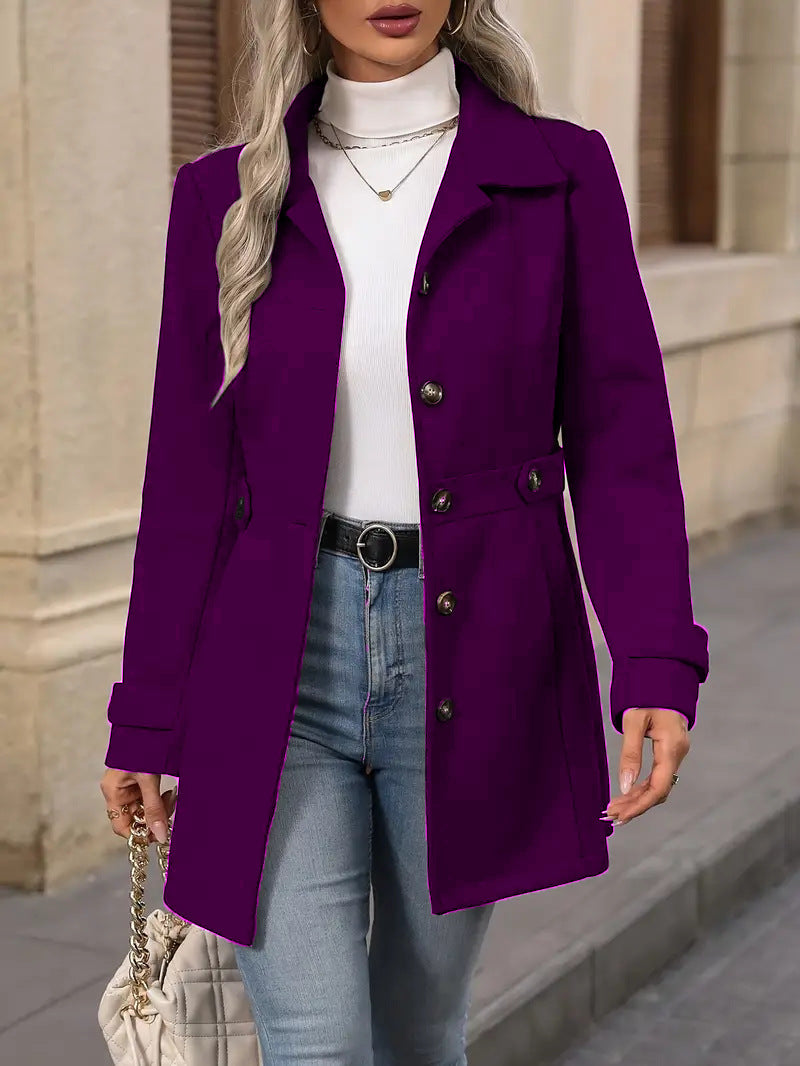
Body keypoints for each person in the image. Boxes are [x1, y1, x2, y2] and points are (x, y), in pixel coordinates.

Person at [100, 1, 709, 1062]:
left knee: (419, 1032)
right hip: (276, 665)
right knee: (317, 1043)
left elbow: (621, 439)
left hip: (477, 649)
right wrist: (145, 713)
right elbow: (187, 480)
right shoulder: (224, 195)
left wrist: (655, 657)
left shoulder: (558, 176)